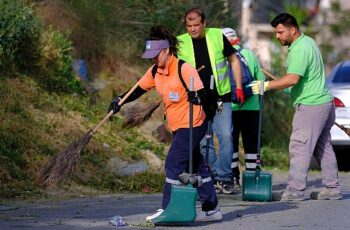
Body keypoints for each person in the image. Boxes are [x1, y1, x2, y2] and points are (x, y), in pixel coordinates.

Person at [108, 25, 222, 222]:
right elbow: (137, 90)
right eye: (150, 55)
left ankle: (168, 208)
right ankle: (211, 209)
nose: (153, 59)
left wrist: (198, 98)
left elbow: (208, 97)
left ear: (166, 50)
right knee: (196, 165)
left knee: (173, 164)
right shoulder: (155, 71)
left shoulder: (184, 69)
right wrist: (120, 100)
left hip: (194, 123)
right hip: (177, 126)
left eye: (155, 54)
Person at [249, 13, 342, 201]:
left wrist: (265, 85)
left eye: (280, 32)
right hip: (323, 103)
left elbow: (292, 78)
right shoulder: (309, 42)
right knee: (323, 147)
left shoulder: (299, 49)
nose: (277, 36)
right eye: (275, 32)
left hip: (311, 106)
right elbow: (300, 80)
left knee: (299, 147)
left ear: (293, 29)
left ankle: (294, 192)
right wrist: (290, 90)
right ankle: (332, 189)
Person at [177, 7, 244, 194]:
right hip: (197, 100)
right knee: (203, 141)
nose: (192, 29)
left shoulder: (216, 36)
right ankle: (212, 176)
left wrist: (238, 87)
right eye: (189, 25)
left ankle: (225, 177)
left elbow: (234, 60)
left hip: (220, 99)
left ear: (204, 23)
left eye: (196, 25)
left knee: (225, 135)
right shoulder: (181, 42)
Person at [222, 27, 265, 188]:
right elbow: (261, 80)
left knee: (231, 143)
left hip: (230, 106)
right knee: (252, 143)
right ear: (236, 39)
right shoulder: (249, 55)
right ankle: (253, 178)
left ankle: (233, 178)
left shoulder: (221, 57)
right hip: (252, 106)